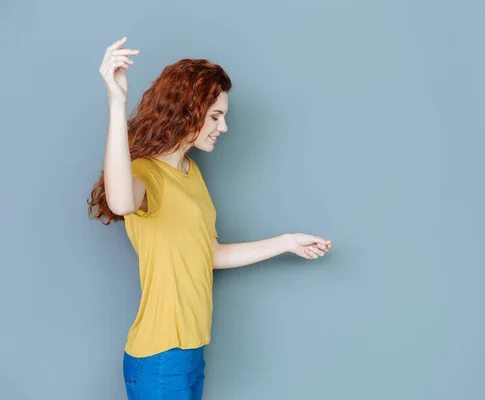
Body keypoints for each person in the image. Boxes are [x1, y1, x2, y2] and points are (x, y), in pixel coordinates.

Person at [87, 37, 333, 399]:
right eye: (216, 116)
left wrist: (286, 242)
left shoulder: (191, 174)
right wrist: (116, 101)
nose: (223, 127)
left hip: (191, 349)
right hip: (160, 354)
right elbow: (121, 201)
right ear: (187, 110)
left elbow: (210, 253)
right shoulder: (145, 174)